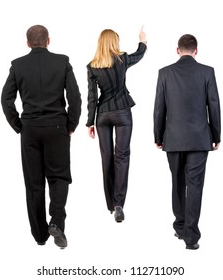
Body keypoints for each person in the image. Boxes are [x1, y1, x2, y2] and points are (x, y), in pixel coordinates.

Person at [1, 25, 81, 249]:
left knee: (34, 184)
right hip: (57, 128)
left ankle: (39, 235)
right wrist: (71, 124)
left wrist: (19, 126)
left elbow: (6, 100)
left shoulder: (18, 65)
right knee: (59, 178)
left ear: (28, 43)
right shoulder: (62, 62)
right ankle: (56, 221)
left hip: (30, 130)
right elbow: (75, 97)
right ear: (48, 40)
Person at [153, 34, 221, 250]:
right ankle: (191, 237)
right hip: (200, 139)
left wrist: (158, 136)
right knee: (195, 186)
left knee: (177, 182)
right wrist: (216, 136)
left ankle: (180, 225)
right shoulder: (207, 72)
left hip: (172, 138)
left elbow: (159, 109)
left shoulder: (164, 73)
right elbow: (214, 106)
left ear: (177, 50)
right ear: (196, 51)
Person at [86, 27, 147, 222]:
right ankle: (119, 203)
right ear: (114, 42)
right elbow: (139, 54)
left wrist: (90, 122)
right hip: (122, 113)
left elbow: (91, 97)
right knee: (122, 157)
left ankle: (110, 204)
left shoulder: (92, 66)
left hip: (103, 115)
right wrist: (143, 41)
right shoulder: (122, 60)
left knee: (107, 158)